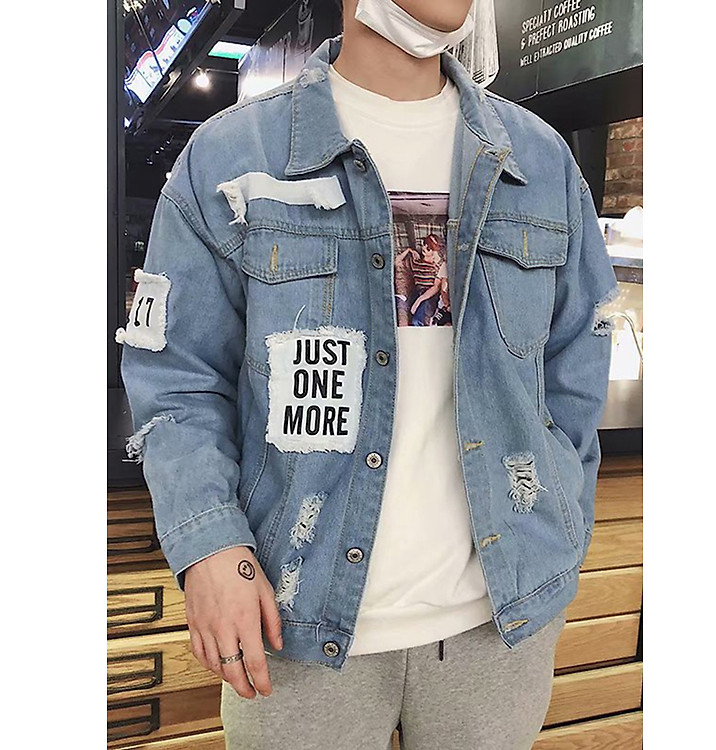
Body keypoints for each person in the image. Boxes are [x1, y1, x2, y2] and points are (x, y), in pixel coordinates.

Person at [116, 1, 619, 748]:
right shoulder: (230, 157)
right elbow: (178, 380)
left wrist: (560, 530)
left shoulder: (540, 162)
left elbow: (576, 370)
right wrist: (210, 546)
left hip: (499, 624)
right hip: (293, 619)